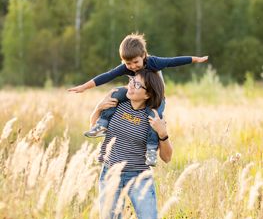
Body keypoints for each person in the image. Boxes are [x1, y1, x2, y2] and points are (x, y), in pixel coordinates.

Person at [68, 33, 208, 166]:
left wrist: (195, 59)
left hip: (156, 97)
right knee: (115, 93)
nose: (133, 66)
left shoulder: (153, 62)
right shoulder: (126, 67)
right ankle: (102, 124)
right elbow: (108, 75)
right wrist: (84, 87)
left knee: (154, 118)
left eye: (136, 62)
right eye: (128, 64)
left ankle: (151, 149)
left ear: (143, 55)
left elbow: (174, 61)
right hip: (136, 90)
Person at [91, 68, 173, 219]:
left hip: (140, 178)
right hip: (110, 175)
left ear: (148, 93)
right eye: (131, 81)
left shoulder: (154, 116)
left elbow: (167, 158)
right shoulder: (118, 104)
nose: (131, 86)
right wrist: (98, 108)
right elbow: (94, 126)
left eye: (137, 85)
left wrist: (163, 133)